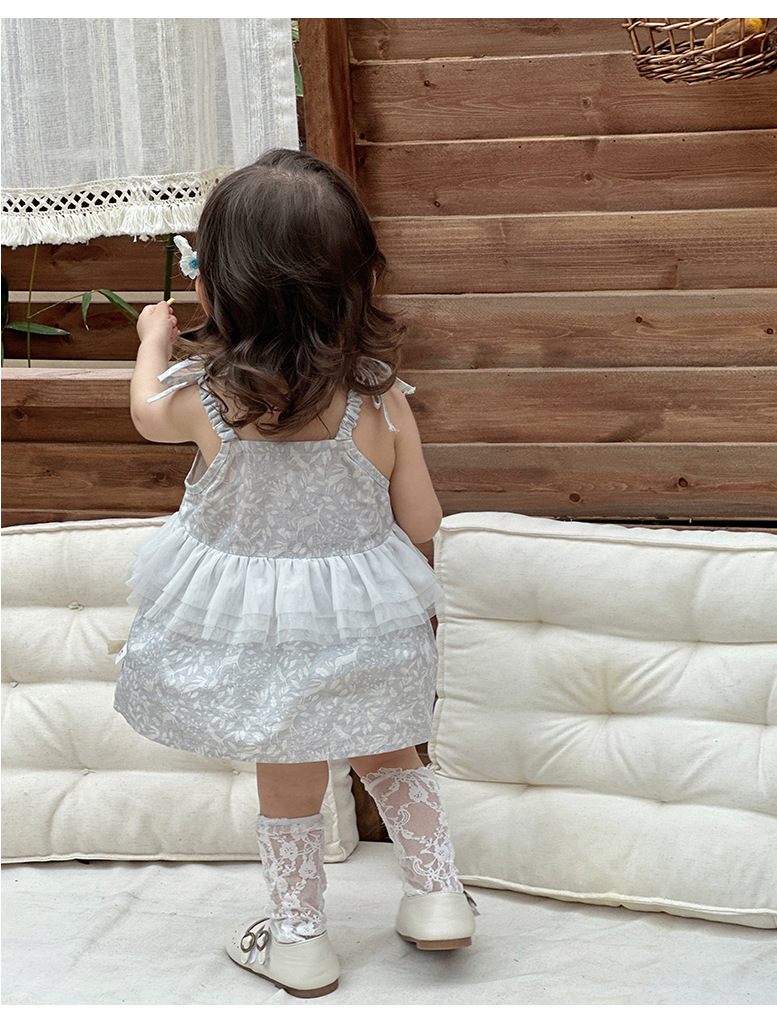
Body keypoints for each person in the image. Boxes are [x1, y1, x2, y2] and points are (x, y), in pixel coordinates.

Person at [114, 149, 477, 999]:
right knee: (392, 752)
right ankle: (437, 897)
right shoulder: (380, 397)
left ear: (217, 289)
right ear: (354, 283)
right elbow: (423, 524)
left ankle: (300, 939)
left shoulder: (206, 400)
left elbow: (142, 412)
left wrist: (152, 341)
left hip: (260, 642)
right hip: (368, 625)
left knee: (287, 772)